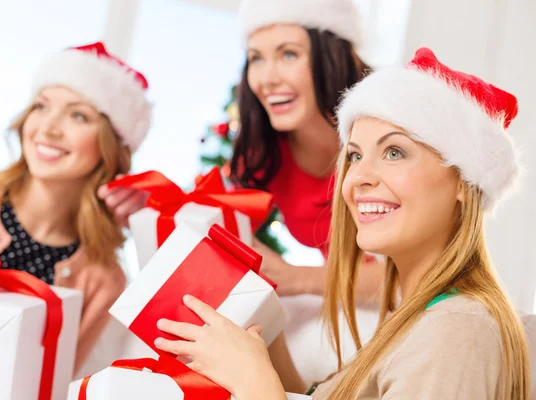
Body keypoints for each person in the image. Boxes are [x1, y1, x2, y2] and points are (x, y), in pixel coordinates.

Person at [152, 47, 531, 399]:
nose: (358, 178)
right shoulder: (418, 319)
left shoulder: (454, 330)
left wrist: (255, 384)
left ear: (463, 182)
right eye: (354, 155)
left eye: (394, 151)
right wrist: (260, 332)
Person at [98, 0, 384, 385]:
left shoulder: (382, 139)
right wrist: (151, 210)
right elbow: (215, 215)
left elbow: (407, 276)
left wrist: (295, 278)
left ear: (331, 53)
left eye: (288, 54)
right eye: (256, 58)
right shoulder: (267, 151)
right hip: (343, 300)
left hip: (396, 305)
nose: (267, 77)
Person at [0, 41, 152, 372]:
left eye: (78, 115)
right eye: (41, 106)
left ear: (110, 145)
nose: (48, 128)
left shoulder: (104, 280)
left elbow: (51, 384)